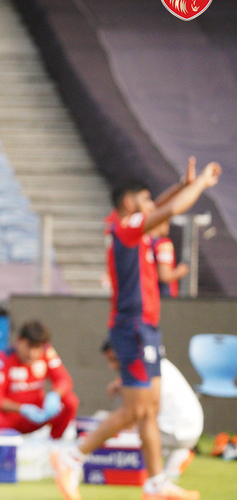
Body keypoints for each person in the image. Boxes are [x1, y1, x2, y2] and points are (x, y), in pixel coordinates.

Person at [52, 160, 221, 500]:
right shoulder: (126, 228)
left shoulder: (130, 228)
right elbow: (169, 210)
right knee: (135, 410)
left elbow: (159, 207)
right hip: (133, 328)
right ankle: (71, 458)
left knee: (150, 409)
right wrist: (201, 184)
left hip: (146, 328)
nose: (152, 205)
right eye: (145, 200)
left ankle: (155, 485)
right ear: (130, 204)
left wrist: (181, 184)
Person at [100, 341, 202, 481]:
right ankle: (174, 454)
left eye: (115, 360)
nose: (112, 366)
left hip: (179, 433)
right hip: (185, 429)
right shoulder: (153, 365)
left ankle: (174, 458)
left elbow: (133, 416)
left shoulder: (147, 373)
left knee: (123, 434)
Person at [0, 320, 78, 439]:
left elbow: (64, 379)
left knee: (70, 401)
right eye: (29, 346)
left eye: (37, 348)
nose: (32, 354)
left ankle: (54, 442)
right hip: (11, 418)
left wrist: (55, 394)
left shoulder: (47, 353)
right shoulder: (0, 359)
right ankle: (4, 445)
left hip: (38, 415)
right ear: (19, 341)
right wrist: (22, 409)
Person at [150, 220, 187, 298]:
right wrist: (180, 271)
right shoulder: (163, 244)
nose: (168, 226)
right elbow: (165, 276)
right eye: (166, 222)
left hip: (147, 295)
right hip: (164, 295)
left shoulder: (142, 242)